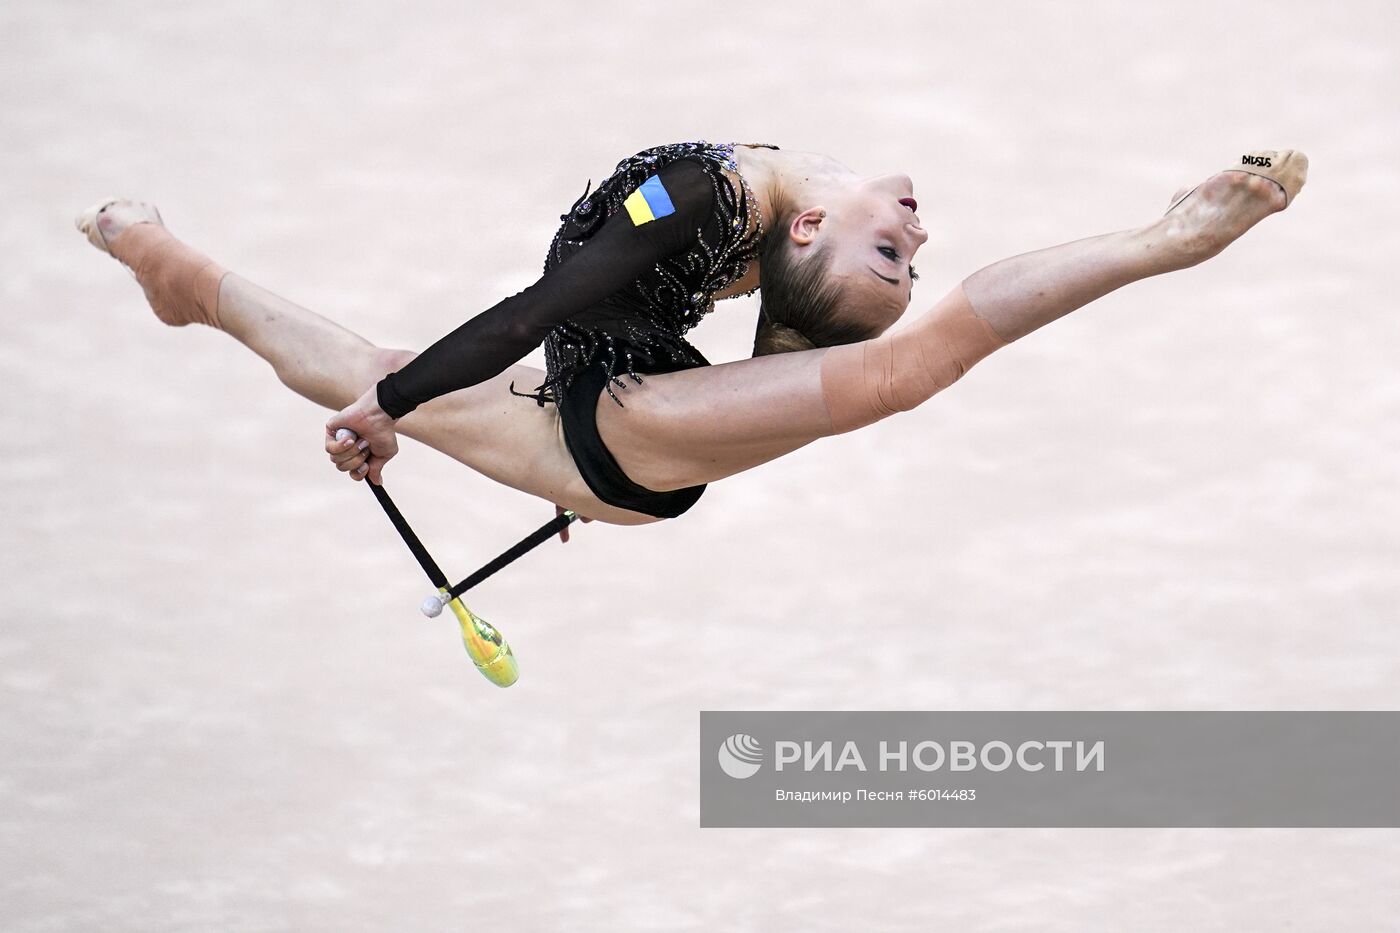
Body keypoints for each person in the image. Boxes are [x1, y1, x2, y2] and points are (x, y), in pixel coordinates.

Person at [75, 142, 1307, 531]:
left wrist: (394, 413)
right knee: (370, 371)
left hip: (618, 426)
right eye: (904, 254)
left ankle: (1163, 242)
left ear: (805, 236)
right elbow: (548, 317)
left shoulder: (737, 210)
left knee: (901, 369)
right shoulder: (720, 215)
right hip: (606, 438)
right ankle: (168, 267)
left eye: (898, 256)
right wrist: (393, 409)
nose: (920, 231)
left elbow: (547, 314)